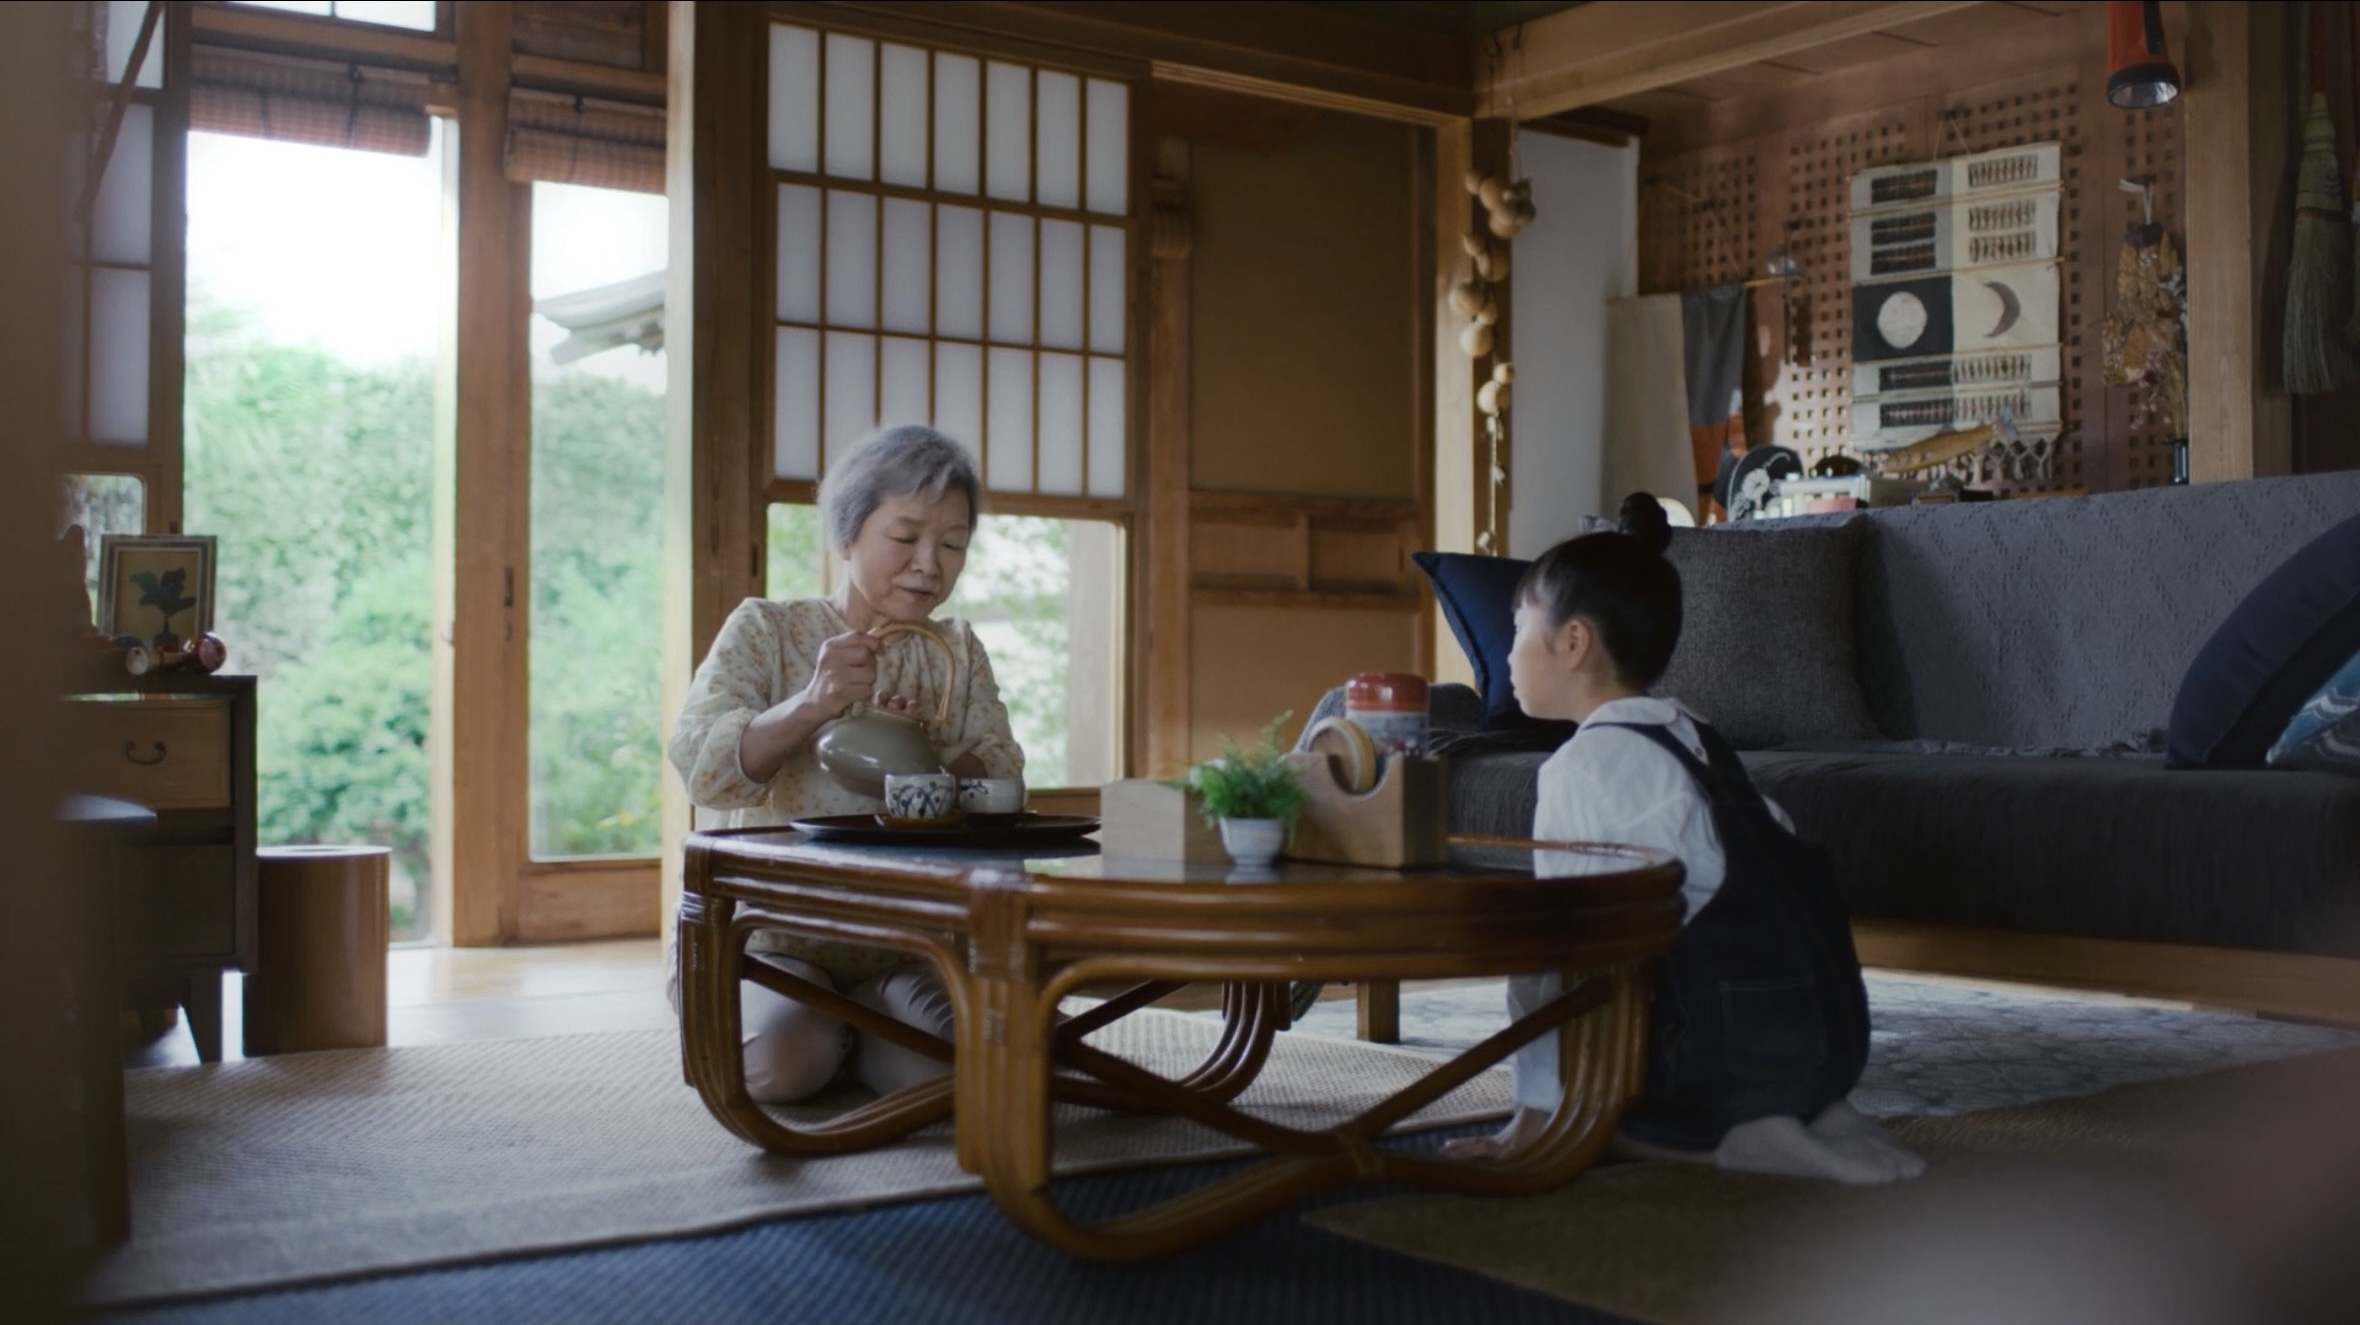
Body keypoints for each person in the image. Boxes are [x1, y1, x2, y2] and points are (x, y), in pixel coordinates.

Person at [1441, 493, 1924, 1185]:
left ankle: (1723, 1139)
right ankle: (1809, 1113)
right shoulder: (1695, 737)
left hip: (1720, 1062)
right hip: (1822, 1047)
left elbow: (1558, 958)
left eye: (1517, 628)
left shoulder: (1583, 765)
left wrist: (1539, 1116)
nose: (1509, 652)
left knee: (1574, 1032)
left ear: (1573, 642)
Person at [667, 425, 1023, 1103]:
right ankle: (823, 1035)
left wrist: (931, 756)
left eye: (952, 545)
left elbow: (1001, 772)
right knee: (780, 1064)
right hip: (770, 941)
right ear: (848, 533)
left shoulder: (956, 651)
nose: (930, 563)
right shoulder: (766, 628)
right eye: (907, 536)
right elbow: (703, 767)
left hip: (905, 948)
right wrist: (813, 702)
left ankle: (858, 1037)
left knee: (962, 1072)